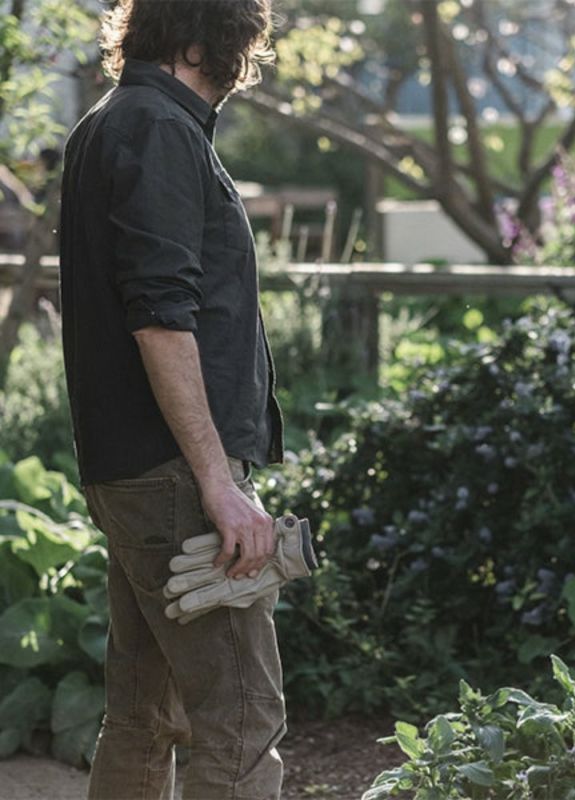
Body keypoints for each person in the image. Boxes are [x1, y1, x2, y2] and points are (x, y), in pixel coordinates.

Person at [57, 1, 287, 797]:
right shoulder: (156, 128)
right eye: (243, 41)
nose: (244, 62)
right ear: (205, 40)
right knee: (242, 720)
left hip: (139, 472)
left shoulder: (113, 121)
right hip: (176, 478)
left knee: (143, 715)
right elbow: (160, 320)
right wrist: (218, 484)